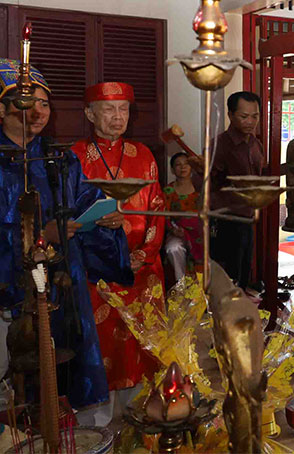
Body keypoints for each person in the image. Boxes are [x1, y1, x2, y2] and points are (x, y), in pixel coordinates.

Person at [0, 59, 133, 410]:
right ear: (2, 109)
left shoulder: (58, 158)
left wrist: (106, 220)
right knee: (22, 370)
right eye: (28, 102)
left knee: (69, 359)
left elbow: (84, 199)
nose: (39, 111)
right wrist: (35, 234)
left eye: (45, 104)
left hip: (64, 277)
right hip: (15, 285)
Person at [72, 82, 165, 424]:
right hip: (96, 272)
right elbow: (68, 214)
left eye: (123, 109)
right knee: (100, 347)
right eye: (109, 109)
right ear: (89, 113)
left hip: (142, 267)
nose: (117, 117)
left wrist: (147, 252)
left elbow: (157, 206)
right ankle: (96, 425)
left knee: (140, 344)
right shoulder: (75, 156)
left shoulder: (143, 154)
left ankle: (141, 419)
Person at [199, 91, 264, 289]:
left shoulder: (255, 144)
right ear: (230, 115)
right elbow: (206, 183)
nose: (250, 121)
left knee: (244, 274)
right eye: (244, 116)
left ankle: (241, 315)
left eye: (255, 116)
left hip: (247, 217)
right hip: (226, 220)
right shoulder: (219, 145)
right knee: (227, 278)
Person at [163, 152, 203, 282]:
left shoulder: (200, 187)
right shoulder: (168, 190)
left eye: (186, 164)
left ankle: (201, 289)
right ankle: (181, 285)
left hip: (199, 233)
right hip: (177, 231)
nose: (183, 167)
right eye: (178, 165)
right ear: (173, 170)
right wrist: (173, 230)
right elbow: (164, 215)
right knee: (173, 248)